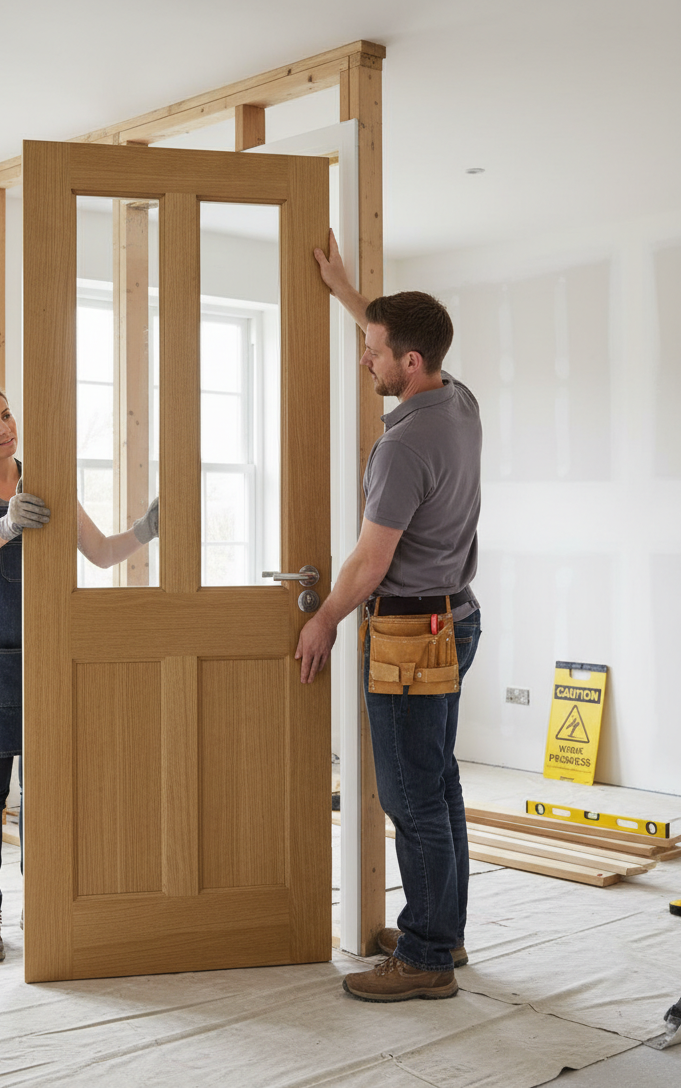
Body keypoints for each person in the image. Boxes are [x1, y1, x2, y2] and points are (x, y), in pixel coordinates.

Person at [295, 232, 482, 1002]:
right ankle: (443, 931)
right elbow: (393, 338)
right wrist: (349, 293)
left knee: (410, 799)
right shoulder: (456, 399)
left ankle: (427, 958)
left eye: (372, 351)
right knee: (438, 786)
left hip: (408, 634)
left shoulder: (402, 447)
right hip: (455, 620)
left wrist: (326, 618)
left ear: (408, 363)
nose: (363, 358)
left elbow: (370, 563)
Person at [0, 381, 158, 963]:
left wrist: (148, 528)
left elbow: (102, 553)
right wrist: (7, 525)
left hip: (43, 658)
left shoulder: (47, 481)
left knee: (47, 792)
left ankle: (49, 903)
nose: (4, 428)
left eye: (6, 415)